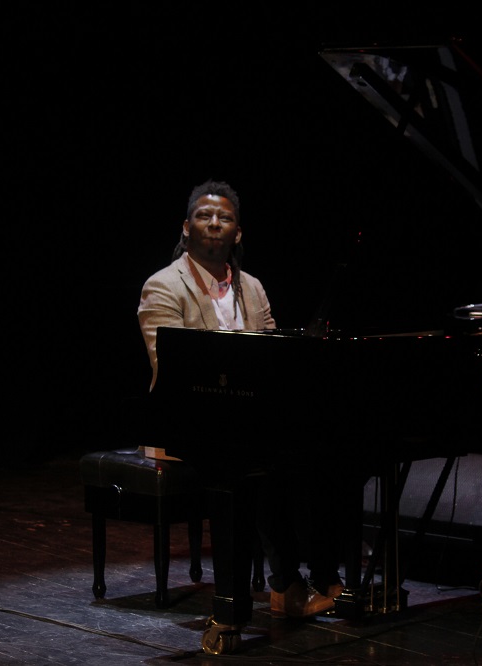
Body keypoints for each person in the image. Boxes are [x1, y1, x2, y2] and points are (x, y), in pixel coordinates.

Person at [136, 179, 341, 618]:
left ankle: (321, 574)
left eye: (224, 217)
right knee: (258, 462)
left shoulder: (254, 287)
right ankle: (283, 585)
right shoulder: (162, 286)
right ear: (186, 228)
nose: (214, 223)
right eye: (204, 216)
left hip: (249, 419)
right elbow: (171, 368)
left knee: (321, 454)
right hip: (183, 421)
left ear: (238, 232)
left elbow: (275, 361)